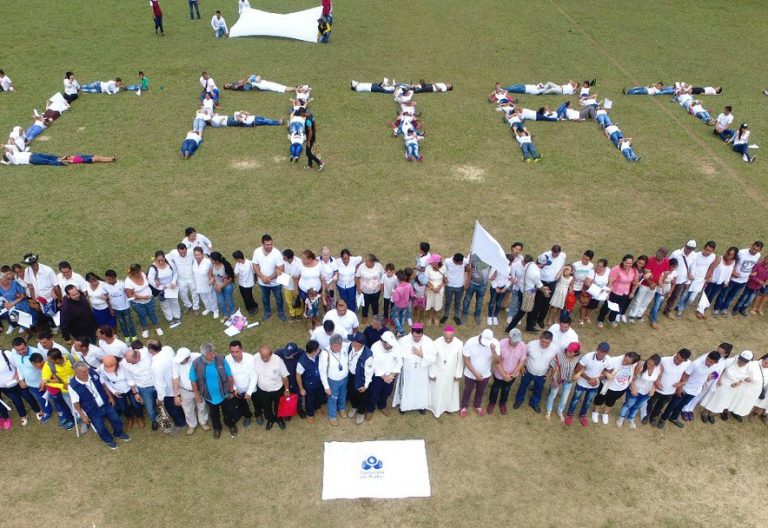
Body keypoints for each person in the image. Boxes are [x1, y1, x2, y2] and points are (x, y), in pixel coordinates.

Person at [69, 362, 131, 449]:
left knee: (116, 419)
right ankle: (109, 440)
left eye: (87, 370)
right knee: (100, 427)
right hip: (92, 410)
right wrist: (82, 416)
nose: (87, 373)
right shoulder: (73, 385)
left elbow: (103, 385)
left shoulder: (93, 373)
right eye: (84, 372)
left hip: (105, 403)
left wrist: (110, 397)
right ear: (76, 373)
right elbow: (75, 402)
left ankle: (119, 433)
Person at [657, 351, 721, 429]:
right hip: (685, 389)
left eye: (711, 362)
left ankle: (673, 418)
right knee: (673, 404)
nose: (707, 362)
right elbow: (685, 375)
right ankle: (663, 418)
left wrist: (705, 381)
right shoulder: (696, 364)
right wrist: (679, 388)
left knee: (682, 405)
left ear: (715, 362)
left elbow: (712, 375)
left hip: (695, 391)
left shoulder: (715, 366)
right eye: (707, 359)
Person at [190, 343, 237, 438]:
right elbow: (193, 380)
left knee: (228, 411)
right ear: (204, 354)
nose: (214, 355)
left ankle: (231, 425)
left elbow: (230, 377)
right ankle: (217, 428)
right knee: (214, 414)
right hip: (209, 396)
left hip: (224, 394)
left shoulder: (221, 360)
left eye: (214, 352)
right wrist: (197, 395)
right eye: (211, 354)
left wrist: (231, 391)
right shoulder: (196, 363)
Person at [565, 341, 611, 426]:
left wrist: (597, 379)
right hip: (582, 383)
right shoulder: (588, 356)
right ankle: (569, 415)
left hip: (594, 385)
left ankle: (582, 416)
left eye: (604, 351)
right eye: (600, 350)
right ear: (597, 349)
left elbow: (609, 372)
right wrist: (589, 379)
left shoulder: (608, 360)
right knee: (575, 399)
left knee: (588, 401)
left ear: (607, 352)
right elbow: (578, 369)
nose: (601, 353)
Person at [700, 351, 754, 422]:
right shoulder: (732, 360)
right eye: (741, 359)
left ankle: (711, 413)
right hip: (722, 382)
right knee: (714, 398)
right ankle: (705, 412)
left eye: (744, 361)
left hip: (732, 387)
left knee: (722, 401)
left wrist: (738, 383)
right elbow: (721, 368)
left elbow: (746, 377)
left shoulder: (749, 367)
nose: (741, 362)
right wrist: (719, 378)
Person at [393, 323, 435, 414]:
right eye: (415, 336)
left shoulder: (429, 342)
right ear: (411, 333)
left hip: (421, 372)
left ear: (422, 334)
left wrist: (422, 354)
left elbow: (433, 358)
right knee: (407, 388)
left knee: (421, 388)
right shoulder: (403, 341)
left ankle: (421, 406)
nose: (417, 339)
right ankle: (404, 406)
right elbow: (397, 355)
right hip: (408, 371)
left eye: (419, 337)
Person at [645, 348, 692, 426]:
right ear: (676, 353)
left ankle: (653, 417)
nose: (677, 360)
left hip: (670, 391)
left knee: (660, 406)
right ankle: (646, 415)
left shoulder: (688, 364)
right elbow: (654, 371)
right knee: (650, 402)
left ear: (685, 360)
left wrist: (682, 383)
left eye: (680, 360)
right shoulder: (664, 360)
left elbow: (687, 375)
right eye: (676, 357)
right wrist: (656, 382)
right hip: (657, 389)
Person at [505, 254, 551, 333]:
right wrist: (545, 292)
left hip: (522, 290)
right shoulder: (536, 273)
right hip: (528, 294)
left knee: (533, 308)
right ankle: (509, 328)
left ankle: (529, 326)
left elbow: (536, 283)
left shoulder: (530, 264)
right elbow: (539, 285)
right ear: (542, 264)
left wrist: (542, 287)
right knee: (522, 312)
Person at [592, 352, 641, 425]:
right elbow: (601, 368)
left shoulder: (634, 364)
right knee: (600, 399)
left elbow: (639, 364)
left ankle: (605, 413)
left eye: (628, 363)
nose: (624, 362)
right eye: (625, 359)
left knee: (611, 401)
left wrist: (634, 375)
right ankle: (595, 411)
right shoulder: (614, 361)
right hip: (608, 386)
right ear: (625, 355)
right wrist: (607, 374)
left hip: (620, 388)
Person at [147, 340, 185, 434]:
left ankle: (181, 424)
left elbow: (160, 384)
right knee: (179, 405)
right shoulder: (168, 349)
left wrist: (160, 398)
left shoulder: (155, 365)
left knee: (172, 409)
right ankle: (184, 417)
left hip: (168, 391)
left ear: (151, 350)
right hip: (178, 384)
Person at [460, 329, 499, 417]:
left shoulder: (495, 343)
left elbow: (497, 361)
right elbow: (466, 360)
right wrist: (475, 374)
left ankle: (477, 405)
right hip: (470, 373)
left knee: (480, 391)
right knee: (467, 390)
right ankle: (464, 406)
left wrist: (493, 350)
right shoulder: (470, 342)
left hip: (485, 374)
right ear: (480, 336)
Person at [513, 331, 555, 413]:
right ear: (540, 338)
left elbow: (554, 361)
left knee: (538, 389)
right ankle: (519, 400)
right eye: (543, 341)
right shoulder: (531, 345)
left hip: (542, 374)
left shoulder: (554, 349)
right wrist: (521, 366)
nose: (544, 344)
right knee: (523, 386)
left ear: (551, 341)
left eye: (547, 343)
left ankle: (534, 402)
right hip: (528, 371)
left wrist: (551, 371)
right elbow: (523, 355)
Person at [12, 339, 52, 421]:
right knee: (40, 399)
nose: (21, 352)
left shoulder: (36, 352)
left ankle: (61, 412)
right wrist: (21, 380)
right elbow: (19, 367)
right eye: (18, 350)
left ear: (26, 345)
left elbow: (46, 367)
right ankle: (47, 411)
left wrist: (44, 380)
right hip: (30, 384)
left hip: (43, 382)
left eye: (23, 349)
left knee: (53, 397)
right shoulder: (14, 353)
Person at [172, 347, 209, 434]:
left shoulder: (199, 358)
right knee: (187, 410)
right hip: (185, 391)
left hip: (199, 389)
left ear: (188, 358)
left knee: (202, 406)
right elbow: (175, 379)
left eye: (182, 360)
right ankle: (192, 425)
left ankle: (203, 421)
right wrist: (176, 395)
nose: (180, 362)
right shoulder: (175, 362)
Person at [252, 345, 291, 430]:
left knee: (278, 406)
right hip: (263, 390)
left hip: (277, 389)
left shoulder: (278, 360)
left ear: (271, 354)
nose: (264, 359)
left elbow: (284, 376)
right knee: (266, 407)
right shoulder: (255, 358)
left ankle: (279, 419)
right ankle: (270, 419)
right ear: (259, 354)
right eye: (262, 357)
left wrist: (287, 389)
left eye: (267, 357)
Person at [428, 326, 463, 418]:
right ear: (443, 334)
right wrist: (432, 372)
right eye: (446, 338)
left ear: (454, 335)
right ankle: (436, 407)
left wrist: (458, 373)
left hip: (451, 372)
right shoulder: (436, 342)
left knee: (449, 390)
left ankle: (449, 407)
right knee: (437, 390)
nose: (448, 340)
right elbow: (432, 359)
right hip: (438, 371)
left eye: (450, 338)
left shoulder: (459, 343)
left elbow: (460, 361)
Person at [617, 354, 660, 429]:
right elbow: (632, 377)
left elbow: (655, 381)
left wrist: (653, 389)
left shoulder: (659, 369)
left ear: (656, 365)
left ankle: (630, 418)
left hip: (646, 392)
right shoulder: (640, 365)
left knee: (637, 407)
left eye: (652, 365)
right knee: (628, 404)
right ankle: (621, 418)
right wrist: (633, 388)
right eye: (648, 363)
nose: (649, 366)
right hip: (634, 389)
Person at [366, 331, 401, 420]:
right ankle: (370, 409)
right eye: (389, 345)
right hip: (378, 376)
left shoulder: (395, 346)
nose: (391, 346)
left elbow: (399, 361)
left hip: (390, 376)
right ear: (383, 341)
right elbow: (374, 364)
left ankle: (382, 406)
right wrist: (383, 377)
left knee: (387, 392)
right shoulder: (375, 347)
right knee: (374, 394)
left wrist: (392, 374)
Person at [124, 342, 159, 430]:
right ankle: (154, 420)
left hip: (157, 383)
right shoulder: (125, 363)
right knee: (150, 408)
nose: (129, 363)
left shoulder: (148, 353)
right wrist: (135, 393)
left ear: (137, 357)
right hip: (144, 388)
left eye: (131, 362)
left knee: (164, 401)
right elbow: (130, 379)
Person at [252, 234, 286, 321]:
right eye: (267, 244)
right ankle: (267, 312)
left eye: (271, 244)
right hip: (262, 282)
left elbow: (281, 269)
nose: (270, 246)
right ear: (262, 244)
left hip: (276, 283)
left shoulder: (277, 253)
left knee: (279, 298)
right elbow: (255, 266)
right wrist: (262, 277)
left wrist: (268, 278)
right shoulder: (257, 252)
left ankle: (281, 312)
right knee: (265, 298)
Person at [125, 264, 163, 338]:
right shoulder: (128, 282)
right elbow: (129, 296)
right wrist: (141, 297)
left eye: (140, 271)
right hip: (138, 303)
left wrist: (155, 282)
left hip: (150, 299)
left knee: (152, 313)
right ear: (134, 273)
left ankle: (157, 327)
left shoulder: (142, 274)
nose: (141, 272)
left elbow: (148, 280)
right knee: (142, 315)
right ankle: (145, 329)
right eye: (139, 272)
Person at [225, 341, 257, 428]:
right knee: (242, 403)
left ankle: (258, 415)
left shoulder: (250, 358)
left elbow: (254, 376)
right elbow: (229, 376)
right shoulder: (227, 359)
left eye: (237, 351)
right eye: (232, 352)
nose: (234, 354)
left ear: (241, 350)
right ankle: (247, 416)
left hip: (251, 386)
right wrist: (234, 388)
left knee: (256, 402)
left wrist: (249, 392)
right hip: (237, 388)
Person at [729, 241, 765, 316]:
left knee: (747, 298)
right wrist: (733, 272)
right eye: (753, 248)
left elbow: (752, 267)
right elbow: (733, 262)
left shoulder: (758, 255)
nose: (754, 251)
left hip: (746, 282)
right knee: (740, 296)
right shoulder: (741, 253)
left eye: (756, 250)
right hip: (739, 281)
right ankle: (732, 309)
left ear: (760, 250)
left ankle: (742, 309)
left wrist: (750, 274)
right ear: (751, 245)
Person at [296, 340, 324, 423]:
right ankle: (310, 414)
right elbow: (298, 376)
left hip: (319, 382)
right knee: (310, 400)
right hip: (309, 386)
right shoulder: (302, 362)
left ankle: (318, 408)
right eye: (318, 349)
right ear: (313, 351)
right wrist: (301, 389)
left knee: (319, 396)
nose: (320, 349)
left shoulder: (318, 354)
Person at [463, 254, 490, 325]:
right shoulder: (472, 255)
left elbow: (479, 266)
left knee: (479, 302)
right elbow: (466, 268)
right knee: (467, 299)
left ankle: (477, 315)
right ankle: (464, 314)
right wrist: (468, 267)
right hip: (472, 283)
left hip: (482, 285)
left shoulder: (490, 257)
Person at [210, 252, 236, 322]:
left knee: (229, 300)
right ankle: (226, 315)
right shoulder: (212, 265)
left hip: (227, 286)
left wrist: (221, 286)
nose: (210, 260)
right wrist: (215, 285)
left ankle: (232, 314)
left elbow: (231, 278)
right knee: (221, 302)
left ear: (217, 260)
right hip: (217, 286)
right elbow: (212, 275)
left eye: (212, 259)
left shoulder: (225, 265)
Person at [232, 250, 258, 316]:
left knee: (248, 297)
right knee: (245, 296)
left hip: (249, 284)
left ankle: (250, 308)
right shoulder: (238, 264)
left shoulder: (250, 263)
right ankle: (254, 305)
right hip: (241, 284)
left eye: (236, 259)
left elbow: (255, 272)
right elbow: (236, 274)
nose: (235, 260)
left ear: (239, 258)